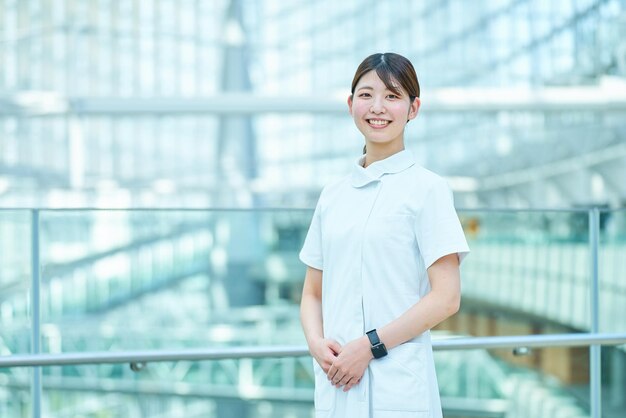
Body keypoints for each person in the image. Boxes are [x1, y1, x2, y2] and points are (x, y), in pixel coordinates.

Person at [299, 52, 470, 418]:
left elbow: (446, 298)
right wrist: (316, 344)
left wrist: (369, 346)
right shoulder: (333, 195)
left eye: (392, 96)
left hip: (398, 388)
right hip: (337, 384)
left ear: (413, 108)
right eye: (366, 95)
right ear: (350, 104)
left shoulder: (429, 189)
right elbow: (313, 293)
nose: (378, 107)